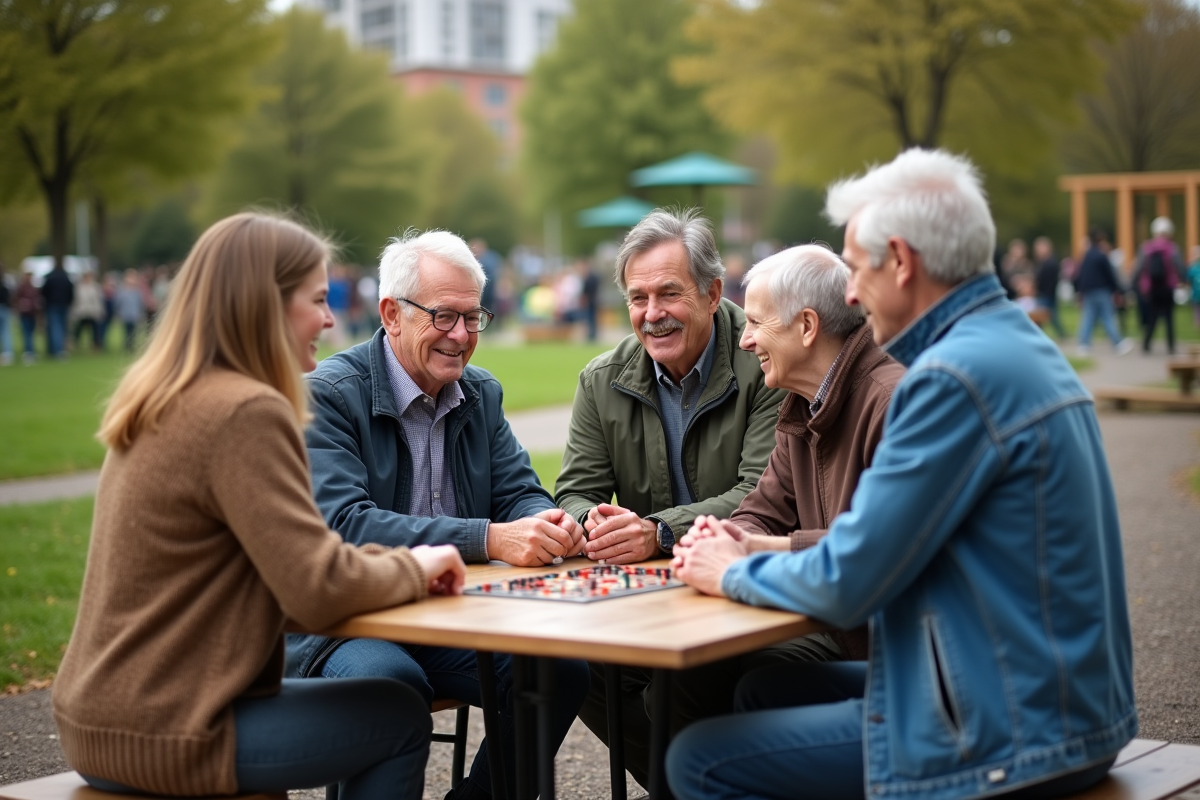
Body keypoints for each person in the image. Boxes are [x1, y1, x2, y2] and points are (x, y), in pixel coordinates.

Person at [667, 148, 1136, 800]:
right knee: (768, 687)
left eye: (858, 269)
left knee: (698, 760)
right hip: (1056, 705)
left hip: (1019, 734)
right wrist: (750, 543)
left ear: (903, 261)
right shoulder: (1017, 346)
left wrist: (730, 569)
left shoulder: (948, 379)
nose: (851, 294)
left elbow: (850, 582)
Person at [52, 212, 467, 799]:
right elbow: (314, 588)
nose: (329, 318)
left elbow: (294, 562)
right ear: (265, 305)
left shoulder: (169, 396)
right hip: (170, 727)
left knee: (385, 695)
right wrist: (419, 567)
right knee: (397, 717)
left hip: (104, 715)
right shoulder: (244, 410)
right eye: (317, 299)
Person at [285, 228, 589, 800]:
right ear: (391, 314)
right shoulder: (326, 395)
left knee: (558, 670)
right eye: (444, 317)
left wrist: (547, 521)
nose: (461, 336)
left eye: (473, 318)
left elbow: (519, 491)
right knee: (393, 687)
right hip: (345, 620)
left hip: (451, 614)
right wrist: (490, 538)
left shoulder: (480, 393)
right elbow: (345, 526)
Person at [555, 208, 786, 787]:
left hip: (749, 587)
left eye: (668, 294)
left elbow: (761, 495)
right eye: (638, 298)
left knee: (673, 686)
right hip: (653, 597)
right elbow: (576, 490)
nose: (652, 314)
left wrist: (658, 532)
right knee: (565, 665)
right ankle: (687, 785)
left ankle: (694, 781)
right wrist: (596, 522)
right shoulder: (600, 379)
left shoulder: (766, 363)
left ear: (712, 293)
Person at [722, 243, 904, 665]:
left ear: (807, 326)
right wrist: (726, 538)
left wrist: (750, 550)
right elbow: (762, 512)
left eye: (754, 323)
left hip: (894, 655)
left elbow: (874, 548)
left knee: (734, 676)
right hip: (837, 625)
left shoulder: (893, 402)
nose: (745, 341)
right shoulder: (804, 404)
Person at [1074, 226, 1133, 356]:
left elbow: (1081, 276)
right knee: (1108, 317)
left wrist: (1080, 291)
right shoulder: (1102, 256)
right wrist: (1117, 290)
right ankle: (1118, 343)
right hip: (1102, 291)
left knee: (1088, 318)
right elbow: (1110, 275)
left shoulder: (1087, 256)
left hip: (1089, 291)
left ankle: (1083, 344)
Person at [1135, 216, 1185, 355]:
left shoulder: (1146, 248)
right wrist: (1183, 279)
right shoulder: (1172, 248)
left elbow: (1139, 268)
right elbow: (1179, 267)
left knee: (1152, 316)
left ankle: (1146, 344)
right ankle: (1171, 346)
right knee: (1169, 317)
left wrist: (1134, 284)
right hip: (1168, 287)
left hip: (1151, 288)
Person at [1033, 236, 1067, 339]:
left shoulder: (1050, 263)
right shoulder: (1044, 263)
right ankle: (1060, 334)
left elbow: (1049, 280)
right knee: (1052, 316)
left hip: (1046, 293)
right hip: (1046, 293)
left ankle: (1037, 334)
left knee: (1042, 315)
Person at [40, 261, 74, 358]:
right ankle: (60, 349)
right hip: (63, 305)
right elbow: (71, 291)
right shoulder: (66, 278)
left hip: (52, 305)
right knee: (62, 328)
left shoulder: (50, 278)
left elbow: (44, 292)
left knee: (55, 328)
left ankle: (56, 350)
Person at [70, 271, 105, 352]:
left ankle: (95, 345)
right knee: (78, 329)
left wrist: (100, 311)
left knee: (95, 330)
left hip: (93, 312)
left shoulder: (96, 287)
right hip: (81, 312)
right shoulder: (78, 287)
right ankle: (75, 343)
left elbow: (99, 300)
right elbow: (76, 300)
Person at [114, 269, 144, 353]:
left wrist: (140, 314)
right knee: (126, 331)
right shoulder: (122, 290)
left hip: (134, 314)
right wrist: (118, 313)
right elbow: (118, 303)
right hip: (125, 314)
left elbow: (140, 303)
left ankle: (131, 346)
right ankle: (127, 345)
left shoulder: (137, 291)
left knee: (133, 331)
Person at [15, 270, 39, 364]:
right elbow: (16, 299)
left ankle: (30, 350)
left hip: (31, 313)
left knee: (30, 332)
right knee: (26, 332)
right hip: (24, 313)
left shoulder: (33, 288)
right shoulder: (21, 287)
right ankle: (28, 351)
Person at [0, 263, 12, 366]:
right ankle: (8, 353)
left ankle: (7, 353)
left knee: (5, 331)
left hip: (3, 308)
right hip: (4, 308)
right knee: (5, 332)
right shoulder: (5, 282)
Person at [1188, 244, 1200, 330]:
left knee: (1197, 315)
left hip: (1196, 295)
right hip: (1196, 295)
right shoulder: (1193, 268)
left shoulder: (1193, 268)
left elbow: (1188, 280)